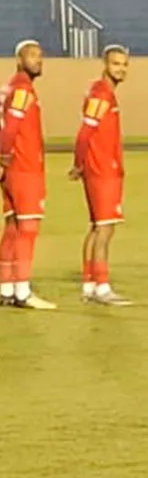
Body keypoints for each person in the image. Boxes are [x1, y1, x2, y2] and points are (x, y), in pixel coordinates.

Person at [71, 45, 130, 305]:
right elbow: (85, 131)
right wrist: (79, 162)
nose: (121, 69)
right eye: (116, 64)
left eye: (124, 64)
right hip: (102, 170)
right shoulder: (101, 94)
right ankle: (102, 286)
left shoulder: (104, 93)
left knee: (97, 228)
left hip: (103, 169)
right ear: (105, 65)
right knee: (105, 229)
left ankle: (89, 284)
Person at [0, 40, 52, 309]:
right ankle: (22, 290)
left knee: (12, 227)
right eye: (32, 56)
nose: (38, 60)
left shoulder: (12, 86)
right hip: (24, 168)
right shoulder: (22, 89)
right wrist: (5, 156)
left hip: (13, 169)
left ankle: (5, 286)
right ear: (19, 60)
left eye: (40, 56)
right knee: (27, 229)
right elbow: (10, 127)